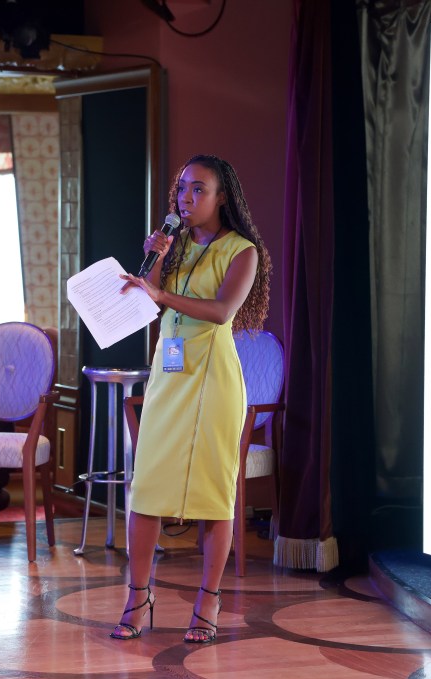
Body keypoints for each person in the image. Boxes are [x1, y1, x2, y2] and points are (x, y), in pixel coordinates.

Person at [112, 154, 272, 643]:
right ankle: (138, 597)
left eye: (199, 188)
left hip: (213, 381)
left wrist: (162, 297)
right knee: (146, 488)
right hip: (169, 376)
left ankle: (208, 601)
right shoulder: (175, 244)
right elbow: (148, 297)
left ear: (222, 197)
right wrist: (155, 258)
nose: (186, 197)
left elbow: (222, 311)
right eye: (182, 187)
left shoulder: (242, 251)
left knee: (214, 494)